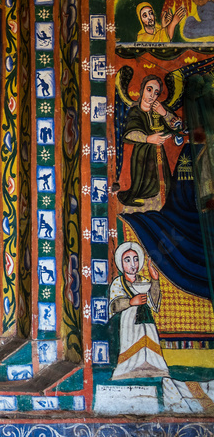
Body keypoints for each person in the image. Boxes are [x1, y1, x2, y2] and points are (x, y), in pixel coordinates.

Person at [117, 75, 181, 209]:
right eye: (149, 89)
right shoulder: (135, 111)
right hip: (142, 154)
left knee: (163, 185)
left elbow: (178, 126)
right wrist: (148, 139)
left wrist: (164, 113)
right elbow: (129, 133)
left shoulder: (160, 109)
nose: (152, 95)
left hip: (160, 154)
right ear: (142, 90)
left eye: (156, 93)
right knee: (143, 184)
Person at [108, 242, 169, 380]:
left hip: (146, 320)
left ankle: (153, 365)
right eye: (127, 260)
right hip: (128, 322)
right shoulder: (118, 283)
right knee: (132, 344)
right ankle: (128, 367)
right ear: (120, 263)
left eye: (135, 259)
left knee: (149, 339)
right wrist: (130, 302)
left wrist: (154, 280)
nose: (132, 264)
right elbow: (113, 305)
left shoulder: (143, 280)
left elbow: (153, 302)